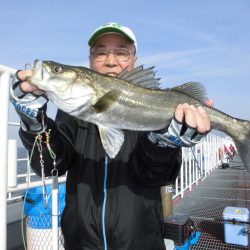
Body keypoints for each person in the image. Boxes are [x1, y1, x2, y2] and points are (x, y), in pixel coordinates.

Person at [10, 22, 212, 250]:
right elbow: (52, 164)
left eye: (121, 52)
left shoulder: (155, 112)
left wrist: (163, 144)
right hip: (80, 242)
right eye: (101, 52)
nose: (110, 60)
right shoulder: (70, 109)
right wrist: (35, 123)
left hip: (141, 241)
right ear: (89, 60)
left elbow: (155, 176)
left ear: (134, 58)